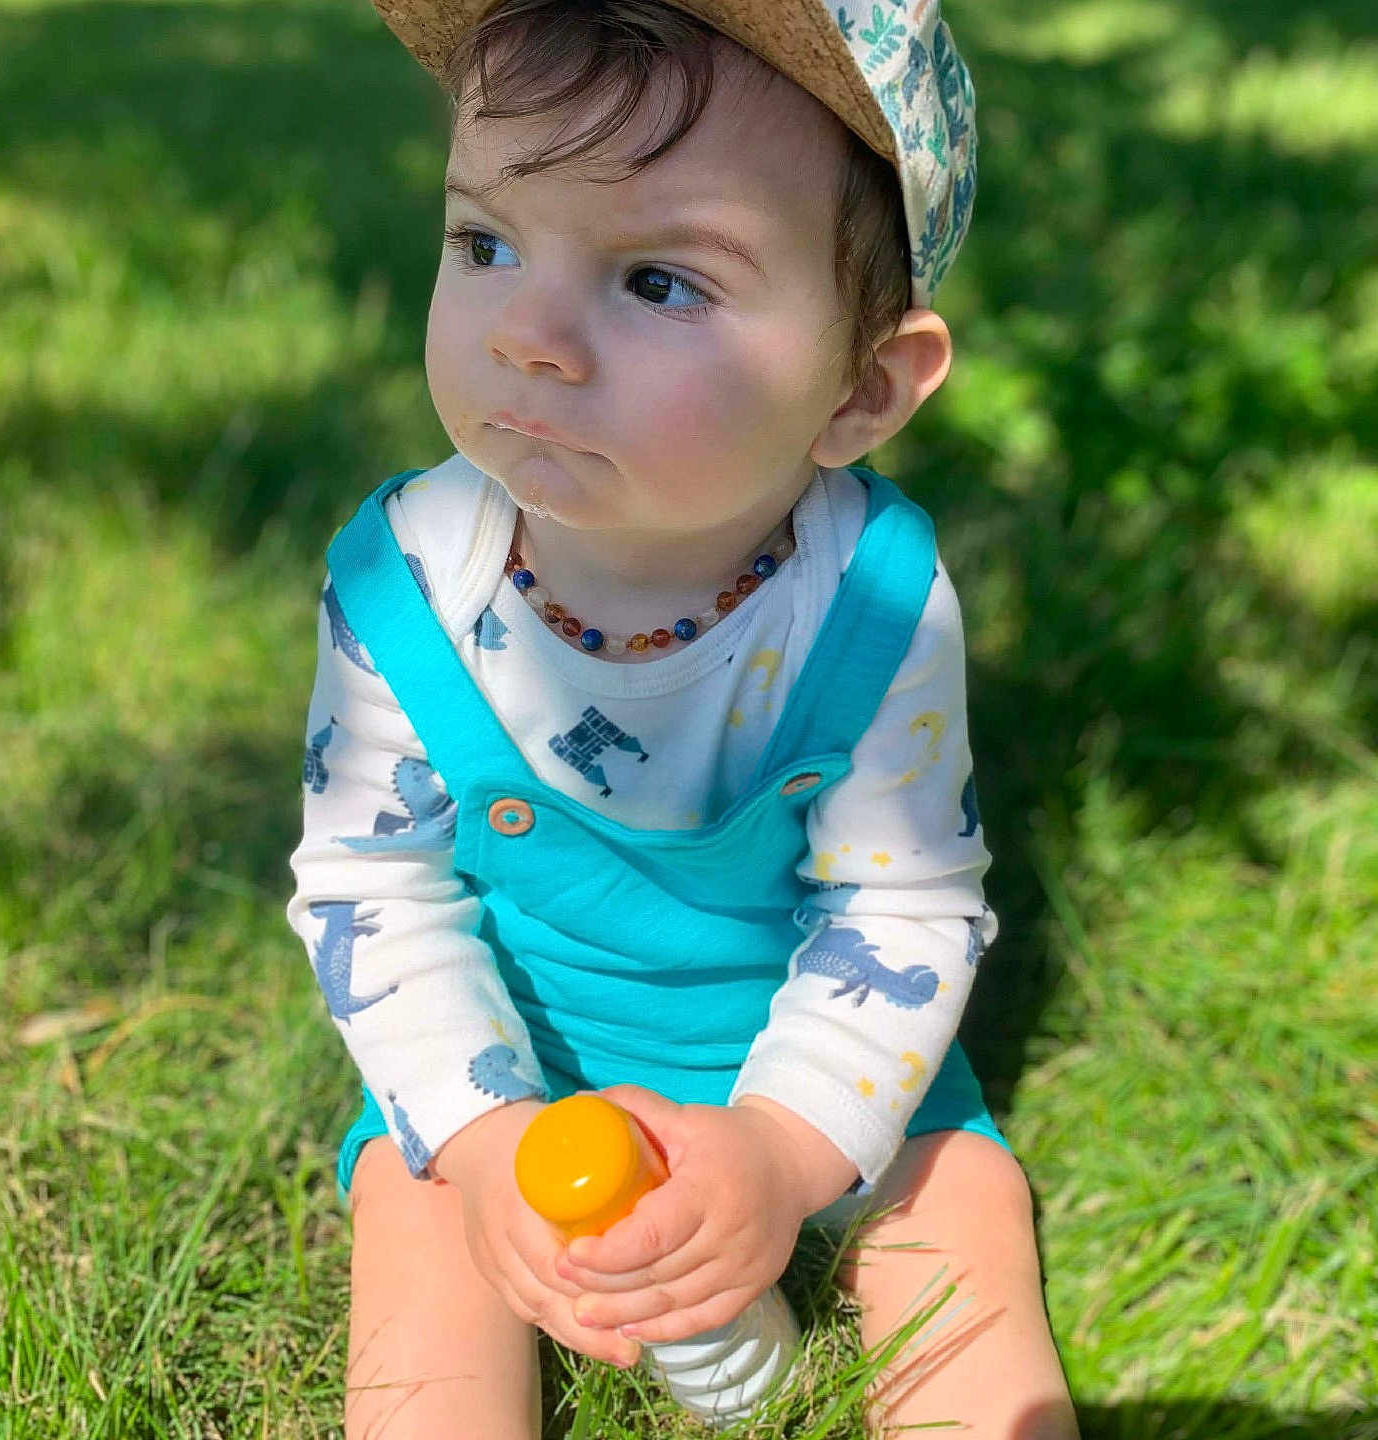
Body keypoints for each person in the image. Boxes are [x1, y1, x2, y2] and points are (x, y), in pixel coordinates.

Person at [287, 1, 1080, 1435]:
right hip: (518, 1056)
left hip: (827, 1044)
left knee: (958, 1197)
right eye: (487, 244)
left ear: (862, 390)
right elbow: (370, 890)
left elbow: (904, 911)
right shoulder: (400, 592)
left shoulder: (877, 605)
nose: (528, 335)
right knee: (418, 1235)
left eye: (658, 281)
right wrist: (479, 1148)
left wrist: (782, 1154)